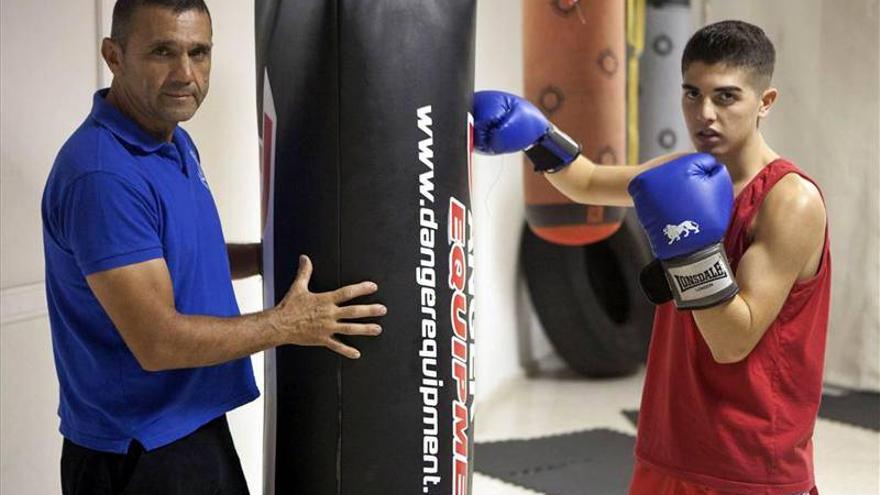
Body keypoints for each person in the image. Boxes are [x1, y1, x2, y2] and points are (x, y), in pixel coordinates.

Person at [41, 1, 386, 493]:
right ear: (114, 56)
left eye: (198, 53)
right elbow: (158, 342)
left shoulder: (172, 142)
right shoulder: (103, 174)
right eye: (163, 51)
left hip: (191, 425)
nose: (185, 73)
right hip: (138, 449)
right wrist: (288, 324)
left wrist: (272, 254)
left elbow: (176, 258)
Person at [474, 20, 828, 495]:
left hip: (749, 462)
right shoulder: (675, 174)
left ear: (764, 102)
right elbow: (586, 181)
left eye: (725, 97)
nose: (704, 114)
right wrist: (540, 136)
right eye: (691, 94)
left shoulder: (791, 202)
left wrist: (690, 248)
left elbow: (732, 340)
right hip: (668, 444)